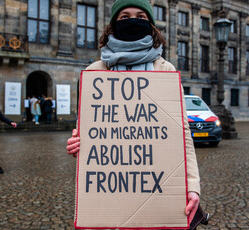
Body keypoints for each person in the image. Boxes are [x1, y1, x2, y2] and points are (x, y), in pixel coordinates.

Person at [66, 0, 200, 225]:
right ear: (113, 24)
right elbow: (87, 131)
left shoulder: (165, 70)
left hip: (157, 189)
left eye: (140, 16)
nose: (133, 21)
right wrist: (78, 143)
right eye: (125, 17)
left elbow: (181, 133)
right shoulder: (93, 73)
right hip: (110, 195)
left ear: (150, 24)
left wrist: (192, 185)